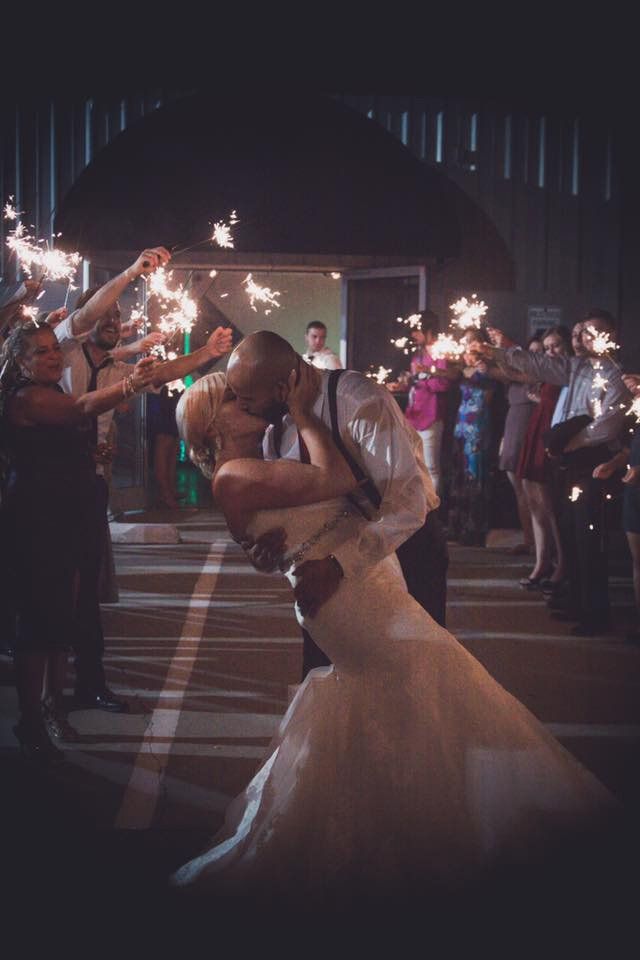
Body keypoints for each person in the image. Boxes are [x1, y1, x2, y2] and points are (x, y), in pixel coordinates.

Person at [170, 364, 617, 902]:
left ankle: (394, 818)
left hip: (373, 573)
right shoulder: (245, 463)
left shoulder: (291, 432)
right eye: (233, 398)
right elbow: (334, 484)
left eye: (246, 392)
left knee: (399, 698)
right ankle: (417, 829)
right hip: (346, 597)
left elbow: (310, 524)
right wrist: (301, 414)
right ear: (212, 425)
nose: (246, 401)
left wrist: (277, 547)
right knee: (423, 682)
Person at [54, 248, 233, 711]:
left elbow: (163, 372)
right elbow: (89, 312)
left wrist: (207, 355)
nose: (113, 320)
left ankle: (89, 682)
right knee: (56, 586)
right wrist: (133, 272)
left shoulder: (114, 368)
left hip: (90, 486)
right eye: (106, 314)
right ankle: (48, 690)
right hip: (46, 485)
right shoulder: (62, 346)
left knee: (87, 585)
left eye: (117, 316)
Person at [224, 330, 448, 680]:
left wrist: (339, 565)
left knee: (413, 673)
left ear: (283, 387)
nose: (240, 406)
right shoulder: (273, 432)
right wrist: (267, 551)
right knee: (327, 676)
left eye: (247, 397)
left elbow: (408, 506)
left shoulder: (359, 401)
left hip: (408, 546)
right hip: (331, 563)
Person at [0, 319, 155, 762]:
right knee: (37, 625)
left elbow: (65, 435)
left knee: (61, 620)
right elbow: (81, 408)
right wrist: (130, 383)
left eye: (54, 349)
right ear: (20, 361)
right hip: (34, 520)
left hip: (67, 516)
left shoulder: (53, 393)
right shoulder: (26, 397)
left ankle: (53, 706)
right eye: (41, 351)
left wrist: (203, 357)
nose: (52, 356)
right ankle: (30, 718)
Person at [480, 310, 630, 636]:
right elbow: (539, 365)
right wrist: (498, 353)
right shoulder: (576, 367)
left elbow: (608, 426)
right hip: (566, 456)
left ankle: (596, 614)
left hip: (592, 460)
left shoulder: (615, 374)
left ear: (613, 335)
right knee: (570, 533)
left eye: (597, 331)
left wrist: (568, 440)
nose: (588, 338)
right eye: (585, 332)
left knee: (589, 539)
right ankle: (576, 601)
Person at [515, 326, 573, 589]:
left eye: (556, 346)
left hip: (553, 431)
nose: (551, 352)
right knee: (533, 497)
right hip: (537, 427)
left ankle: (562, 563)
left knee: (550, 503)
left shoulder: (566, 370)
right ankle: (541, 562)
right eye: (547, 347)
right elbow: (516, 373)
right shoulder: (548, 371)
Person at [448, 328, 496, 547]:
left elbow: (487, 398)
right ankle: (457, 525)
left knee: (475, 476)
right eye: (465, 341)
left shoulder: (487, 369)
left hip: (476, 427)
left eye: (471, 341)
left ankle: (474, 529)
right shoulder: (461, 369)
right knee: (459, 474)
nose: (467, 346)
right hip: (461, 425)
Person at [496, 334, 542, 556]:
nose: (533, 357)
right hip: (512, 430)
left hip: (528, 433)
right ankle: (528, 539)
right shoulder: (517, 379)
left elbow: (510, 372)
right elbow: (502, 372)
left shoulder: (538, 378)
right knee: (519, 491)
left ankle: (540, 544)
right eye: (530, 352)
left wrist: (503, 345)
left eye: (537, 353)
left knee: (531, 492)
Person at [402, 310, 455, 497]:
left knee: (431, 467)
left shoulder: (440, 352)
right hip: (414, 415)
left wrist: (426, 375)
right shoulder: (417, 356)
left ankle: (433, 514)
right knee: (416, 468)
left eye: (417, 331)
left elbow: (444, 383)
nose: (413, 335)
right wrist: (408, 380)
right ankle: (419, 509)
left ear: (428, 329)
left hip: (431, 416)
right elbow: (416, 383)